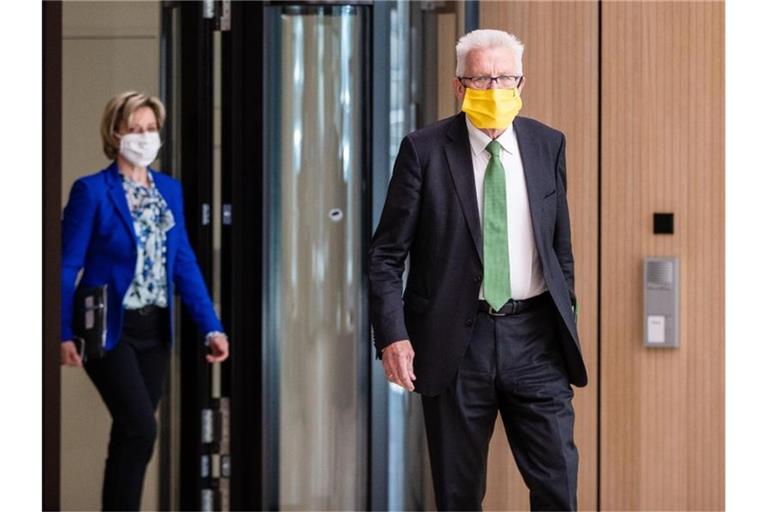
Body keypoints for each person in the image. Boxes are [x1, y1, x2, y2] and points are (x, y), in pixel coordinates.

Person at [368, 29, 588, 511]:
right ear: (459, 86)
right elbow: (385, 256)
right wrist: (393, 336)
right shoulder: (423, 150)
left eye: (505, 78)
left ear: (521, 83)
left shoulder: (547, 144)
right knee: (459, 495)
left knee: (558, 487)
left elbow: (559, 247)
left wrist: (566, 311)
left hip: (536, 339)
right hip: (455, 341)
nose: (494, 89)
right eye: (481, 79)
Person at [60, 91, 229, 511]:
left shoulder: (168, 190)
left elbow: (184, 262)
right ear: (115, 133)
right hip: (108, 327)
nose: (145, 136)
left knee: (131, 435)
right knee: (140, 427)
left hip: (155, 330)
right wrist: (60, 332)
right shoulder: (92, 191)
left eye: (151, 128)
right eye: (135, 129)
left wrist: (211, 326)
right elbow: (66, 267)